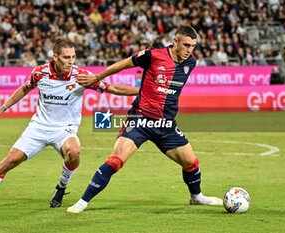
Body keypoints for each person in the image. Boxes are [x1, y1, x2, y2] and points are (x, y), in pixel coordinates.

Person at [0, 39, 138, 210]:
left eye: (73, 57)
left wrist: (141, 91)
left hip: (64, 129)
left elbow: (112, 88)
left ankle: (61, 187)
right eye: (67, 57)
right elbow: (25, 88)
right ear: (55, 57)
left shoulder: (81, 76)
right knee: (9, 162)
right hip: (38, 127)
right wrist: (3, 108)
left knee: (74, 151)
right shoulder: (40, 72)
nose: (71, 61)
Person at [68, 26, 223, 214]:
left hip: (166, 125)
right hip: (139, 120)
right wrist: (97, 77)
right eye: (186, 45)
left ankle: (196, 197)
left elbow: (164, 89)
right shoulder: (152, 55)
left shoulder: (191, 62)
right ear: (175, 41)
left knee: (192, 163)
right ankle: (83, 202)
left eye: (193, 46)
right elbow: (123, 64)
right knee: (116, 160)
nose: (189, 50)